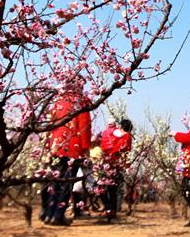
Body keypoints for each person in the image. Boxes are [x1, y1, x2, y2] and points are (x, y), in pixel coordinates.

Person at [40, 88, 92, 226]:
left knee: (55, 182)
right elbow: (84, 127)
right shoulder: (81, 103)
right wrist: (85, 149)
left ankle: (49, 214)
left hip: (56, 147)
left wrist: (48, 146)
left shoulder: (59, 101)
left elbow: (51, 125)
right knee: (66, 183)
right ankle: (57, 216)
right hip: (72, 149)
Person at [99, 118, 133, 222]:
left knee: (104, 188)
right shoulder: (127, 136)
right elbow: (126, 151)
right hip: (117, 164)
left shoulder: (108, 133)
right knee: (113, 190)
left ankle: (109, 210)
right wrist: (126, 165)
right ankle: (111, 212)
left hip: (106, 162)